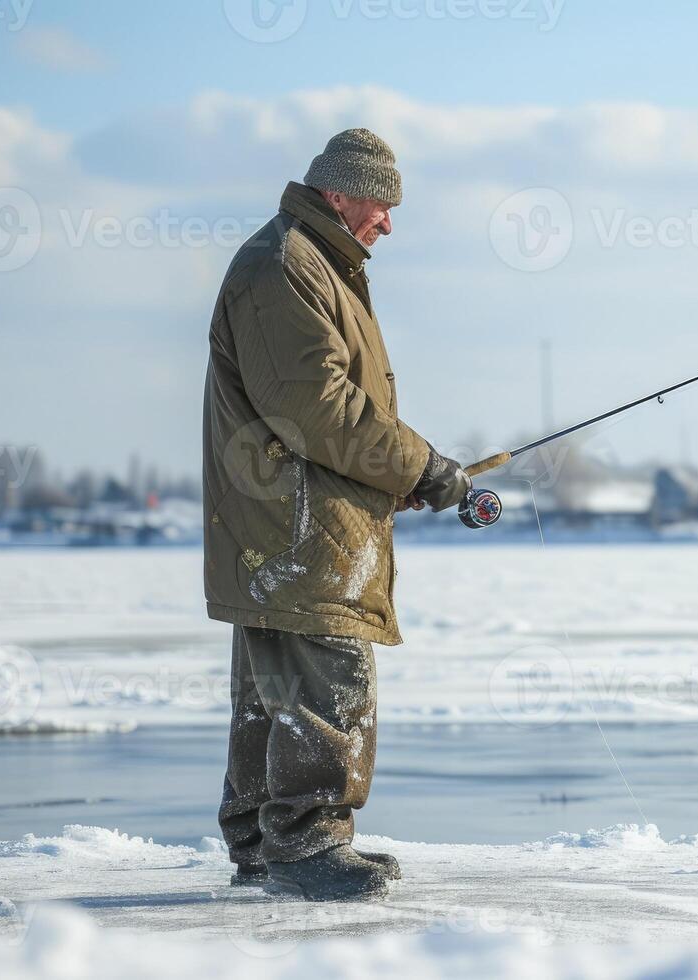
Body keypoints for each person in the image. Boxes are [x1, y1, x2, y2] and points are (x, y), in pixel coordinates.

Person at [201, 128, 468, 901]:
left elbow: (326, 411)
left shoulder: (312, 262)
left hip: (294, 516)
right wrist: (421, 466)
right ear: (340, 193)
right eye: (382, 205)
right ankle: (306, 842)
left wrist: (393, 481)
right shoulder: (287, 265)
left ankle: (263, 842)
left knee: (275, 690)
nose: (389, 223)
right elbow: (314, 407)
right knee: (327, 679)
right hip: (296, 522)